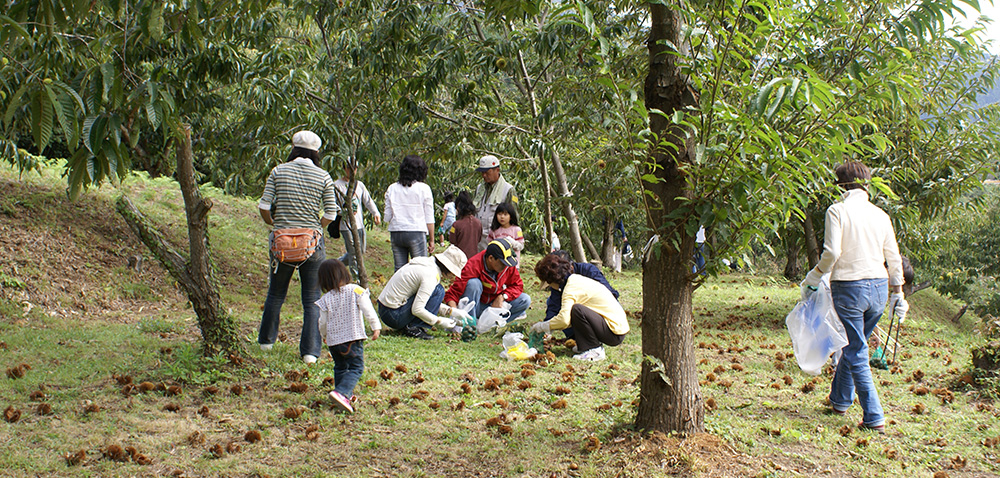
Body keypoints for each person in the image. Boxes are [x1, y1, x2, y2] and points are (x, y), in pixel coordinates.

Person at [799, 161, 907, 434]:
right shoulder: (880, 215)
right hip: (880, 288)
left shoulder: (837, 211)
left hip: (849, 286)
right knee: (853, 343)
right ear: (867, 184)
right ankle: (840, 401)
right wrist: (898, 293)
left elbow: (832, 253)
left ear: (840, 186)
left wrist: (815, 275)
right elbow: (893, 256)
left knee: (857, 350)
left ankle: (874, 416)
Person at [257, 130, 340, 364]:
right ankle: (310, 353)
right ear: (316, 152)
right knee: (312, 297)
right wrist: (317, 226)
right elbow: (332, 213)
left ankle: (266, 342)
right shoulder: (323, 176)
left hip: (282, 242)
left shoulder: (278, 171)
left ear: (293, 149)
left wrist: (273, 224)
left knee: (276, 293)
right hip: (311, 244)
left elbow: (264, 205)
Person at [530, 253, 628, 362]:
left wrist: (544, 326)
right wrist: (549, 325)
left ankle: (594, 350)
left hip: (614, 332)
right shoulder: (574, 280)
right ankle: (585, 345)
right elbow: (555, 307)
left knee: (577, 310)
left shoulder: (571, 287)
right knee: (575, 310)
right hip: (611, 326)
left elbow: (564, 320)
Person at [315, 259, 381, 413]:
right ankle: (342, 393)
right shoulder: (355, 290)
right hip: (352, 338)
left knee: (340, 367)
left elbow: (322, 322)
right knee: (356, 367)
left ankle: (344, 394)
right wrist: (375, 326)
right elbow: (368, 309)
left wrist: (324, 335)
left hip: (333, 342)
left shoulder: (325, 299)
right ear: (344, 273)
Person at [377, 245, 472, 340]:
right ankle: (414, 328)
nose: (453, 277)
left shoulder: (428, 264)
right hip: (393, 315)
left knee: (437, 290)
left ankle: (411, 325)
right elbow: (417, 309)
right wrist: (439, 321)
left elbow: (424, 299)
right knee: (439, 290)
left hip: (386, 310)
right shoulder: (430, 275)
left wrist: (451, 311)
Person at [444, 237, 531, 321]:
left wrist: (502, 297)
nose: (505, 266)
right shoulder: (473, 265)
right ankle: (470, 323)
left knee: (525, 300)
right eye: (502, 263)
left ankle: (494, 324)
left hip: (495, 305)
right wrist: (455, 314)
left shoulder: (507, 265)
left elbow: (517, 285)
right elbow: (453, 293)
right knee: (474, 284)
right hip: (477, 306)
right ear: (490, 258)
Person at [543, 250, 619, 340]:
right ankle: (574, 337)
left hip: (600, 318)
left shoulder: (589, 271)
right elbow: (554, 304)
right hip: (579, 315)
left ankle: (591, 339)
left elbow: (610, 295)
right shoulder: (559, 280)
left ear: (570, 266)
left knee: (576, 308)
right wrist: (546, 327)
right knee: (554, 302)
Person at [384, 155, 435, 271]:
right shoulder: (424, 188)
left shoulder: (392, 188)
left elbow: (387, 217)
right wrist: (431, 240)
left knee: (399, 270)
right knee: (420, 269)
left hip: (396, 231)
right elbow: (429, 218)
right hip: (416, 231)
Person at [332, 161, 381, 278]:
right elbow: (332, 204)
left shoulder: (359, 185)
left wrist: (375, 212)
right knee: (353, 252)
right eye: (349, 168)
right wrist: (343, 212)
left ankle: (336, 264)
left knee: (360, 251)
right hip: (345, 225)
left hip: (359, 224)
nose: (352, 171)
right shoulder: (336, 185)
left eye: (354, 168)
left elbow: (368, 200)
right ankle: (357, 277)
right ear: (344, 168)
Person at [473, 155, 518, 251]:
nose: (484, 175)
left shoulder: (508, 190)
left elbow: (514, 218)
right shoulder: (479, 188)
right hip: (478, 239)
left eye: (487, 172)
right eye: (482, 172)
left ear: (497, 170)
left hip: (498, 239)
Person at [485, 202, 524, 268]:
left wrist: (512, 242)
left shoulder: (517, 230)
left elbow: (521, 246)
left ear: (511, 216)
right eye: (499, 214)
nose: (502, 217)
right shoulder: (494, 230)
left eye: (505, 214)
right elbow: (489, 245)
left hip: (512, 265)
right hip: (497, 265)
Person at [448, 191, 482, 260]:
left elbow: (452, 241)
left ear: (458, 208)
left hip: (459, 260)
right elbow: (479, 239)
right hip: (473, 260)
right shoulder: (478, 223)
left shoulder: (456, 225)